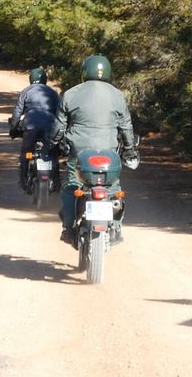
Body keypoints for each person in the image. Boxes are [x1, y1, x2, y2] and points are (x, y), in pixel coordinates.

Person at [50, 54, 138, 242]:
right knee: (113, 189)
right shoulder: (117, 95)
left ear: (84, 71)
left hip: (79, 153)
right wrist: (130, 148)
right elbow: (126, 127)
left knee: (72, 186)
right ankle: (115, 228)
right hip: (109, 155)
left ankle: (68, 228)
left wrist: (53, 144)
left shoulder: (70, 94)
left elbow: (58, 128)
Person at [9, 67, 60, 192]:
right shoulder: (52, 92)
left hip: (30, 126)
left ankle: (23, 179)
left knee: (26, 153)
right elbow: (60, 113)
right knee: (53, 152)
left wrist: (13, 129)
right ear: (45, 79)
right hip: (50, 125)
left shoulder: (26, 91)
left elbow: (17, 113)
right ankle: (57, 181)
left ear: (31, 79)